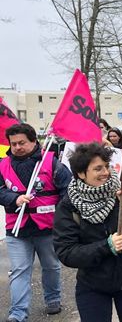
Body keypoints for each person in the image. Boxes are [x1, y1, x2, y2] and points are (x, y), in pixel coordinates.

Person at [53, 142, 122, 322]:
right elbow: (67, 252)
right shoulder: (69, 206)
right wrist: (106, 246)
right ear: (81, 173)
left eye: (107, 166)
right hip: (93, 285)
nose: (106, 172)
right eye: (98, 168)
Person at [0, 123, 72, 322]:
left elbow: (68, 189)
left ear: (34, 141)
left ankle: (53, 299)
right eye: (13, 144)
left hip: (47, 227)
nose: (17, 147)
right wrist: (13, 199)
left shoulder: (51, 162)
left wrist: (62, 215)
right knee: (20, 270)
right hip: (17, 229)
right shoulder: (2, 165)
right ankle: (18, 314)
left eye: (22, 143)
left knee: (51, 266)